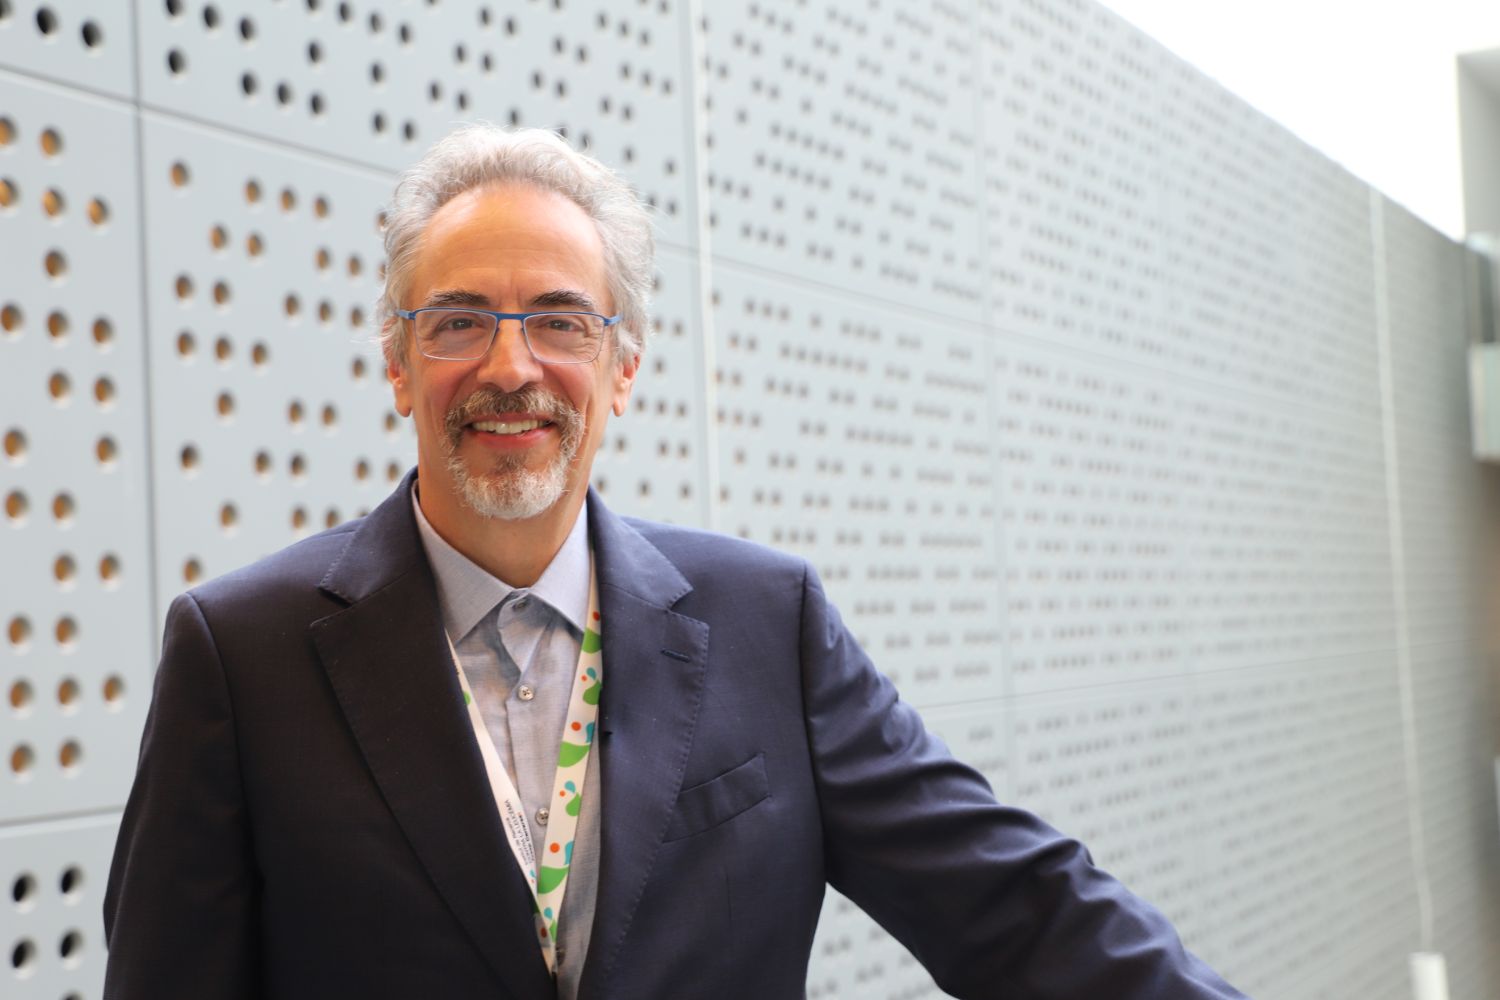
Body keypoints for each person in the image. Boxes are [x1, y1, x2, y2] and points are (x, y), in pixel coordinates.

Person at [103, 125, 1245, 1000]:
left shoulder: (769, 621)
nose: (513, 366)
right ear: (399, 364)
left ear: (624, 366)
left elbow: (1018, 905)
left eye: (561, 320)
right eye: (457, 320)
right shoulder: (240, 653)